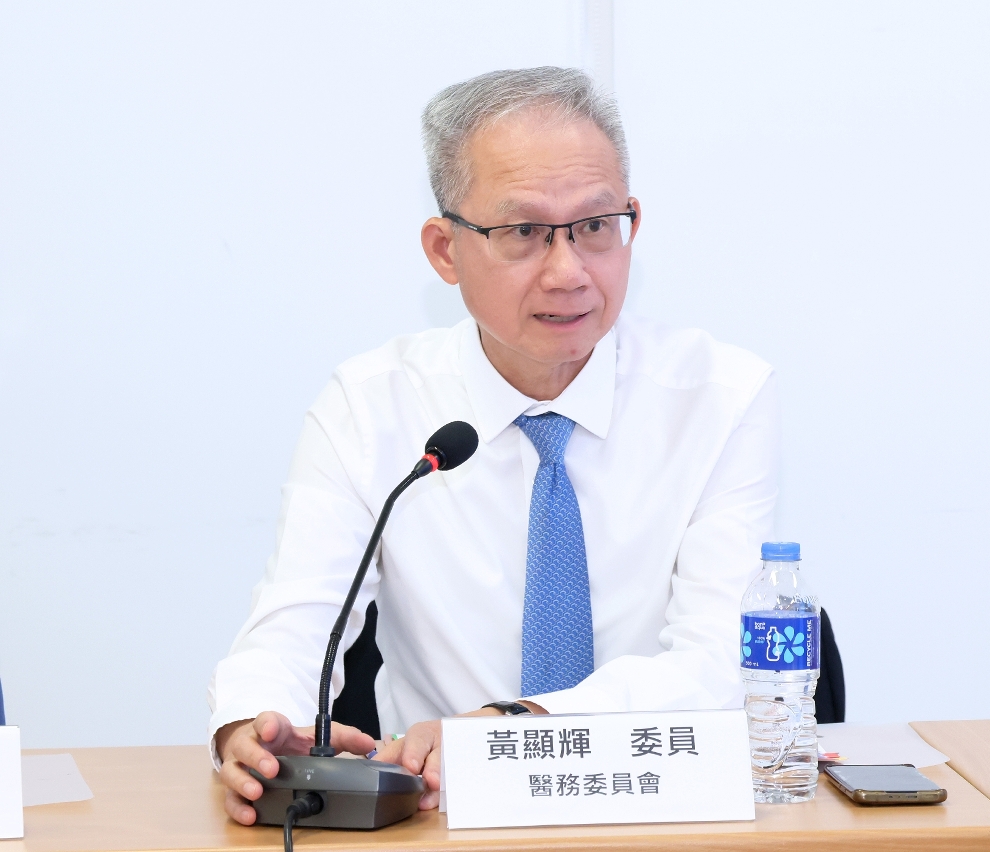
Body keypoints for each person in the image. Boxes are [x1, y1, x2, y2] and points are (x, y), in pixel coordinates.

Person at [209, 66, 779, 823]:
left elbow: (720, 663)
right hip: (441, 820)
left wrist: (522, 726)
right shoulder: (372, 407)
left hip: (662, 811)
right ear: (444, 250)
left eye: (595, 226)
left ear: (631, 223)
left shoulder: (720, 397)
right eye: (523, 233)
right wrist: (252, 726)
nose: (568, 272)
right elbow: (296, 619)